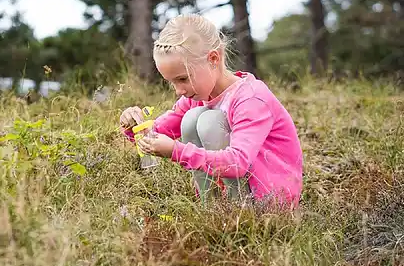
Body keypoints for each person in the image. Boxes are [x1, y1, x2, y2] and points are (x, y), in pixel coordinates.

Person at [119, 14, 303, 208]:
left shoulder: (251, 98)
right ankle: (213, 211)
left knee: (209, 122)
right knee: (192, 119)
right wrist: (134, 125)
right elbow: (155, 134)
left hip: (270, 201)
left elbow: (238, 162)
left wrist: (176, 151)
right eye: (171, 82)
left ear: (213, 58)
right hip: (232, 199)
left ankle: (238, 214)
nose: (178, 90)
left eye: (183, 79)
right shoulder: (196, 98)